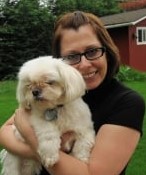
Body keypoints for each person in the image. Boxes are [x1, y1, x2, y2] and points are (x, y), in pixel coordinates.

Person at [0, 11, 145, 175]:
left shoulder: (126, 103)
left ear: (107, 51)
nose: (84, 64)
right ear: (58, 61)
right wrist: (40, 150)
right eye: (72, 56)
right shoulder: (48, 97)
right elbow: (4, 132)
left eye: (92, 51)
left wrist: (31, 138)